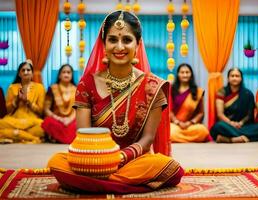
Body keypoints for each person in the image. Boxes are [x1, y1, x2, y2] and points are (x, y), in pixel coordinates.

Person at [48, 10, 183, 193]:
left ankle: (96, 185)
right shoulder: (87, 84)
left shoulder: (153, 87)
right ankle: (121, 184)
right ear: (104, 44)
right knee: (57, 162)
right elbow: (82, 134)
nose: (119, 47)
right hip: (95, 159)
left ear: (138, 44)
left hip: (133, 161)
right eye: (113, 40)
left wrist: (121, 156)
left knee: (169, 167)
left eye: (127, 40)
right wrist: (102, 159)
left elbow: (148, 139)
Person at [210, 68, 258, 143]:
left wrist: (240, 123)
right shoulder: (221, 92)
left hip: (244, 126)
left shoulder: (248, 94)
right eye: (232, 76)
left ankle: (228, 139)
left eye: (237, 76)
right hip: (227, 125)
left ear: (241, 78)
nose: (234, 78)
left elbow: (249, 115)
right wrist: (231, 123)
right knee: (218, 126)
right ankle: (242, 138)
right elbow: (220, 114)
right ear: (228, 78)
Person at [0, 60, 45, 144]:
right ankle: (31, 137)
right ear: (19, 74)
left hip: (32, 120)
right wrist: (16, 100)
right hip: (15, 120)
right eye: (23, 70)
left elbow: (40, 111)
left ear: (32, 73)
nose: (26, 72)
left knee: (43, 126)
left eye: (28, 70)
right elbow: (7, 110)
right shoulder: (12, 87)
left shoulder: (40, 88)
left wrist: (28, 102)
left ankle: (15, 135)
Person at [170, 63, 209, 142]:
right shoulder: (171, 89)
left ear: (191, 74)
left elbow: (201, 113)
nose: (185, 75)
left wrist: (190, 123)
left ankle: (179, 139)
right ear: (178, 74)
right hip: (175, 125)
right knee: (171, 132)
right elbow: (168, 111)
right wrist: (177, 122)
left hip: (190, 126)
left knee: (203, 130)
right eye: (182, 72)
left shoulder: (198, 91)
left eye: (187, 72)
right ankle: (189, 139)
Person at [41, 64, 77, 144]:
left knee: (79, 123)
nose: (66, 74)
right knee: (48, 122)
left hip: (72, 120)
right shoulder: (52, 88)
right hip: (56, 119)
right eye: (63, 72)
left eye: (68, 72)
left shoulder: (76, 89)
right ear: (59, 75)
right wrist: (59, 118)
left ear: (71, 75)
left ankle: (58, 138)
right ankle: (67, 138)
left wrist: (69, 119)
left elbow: (77, 109)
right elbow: (46, 109)